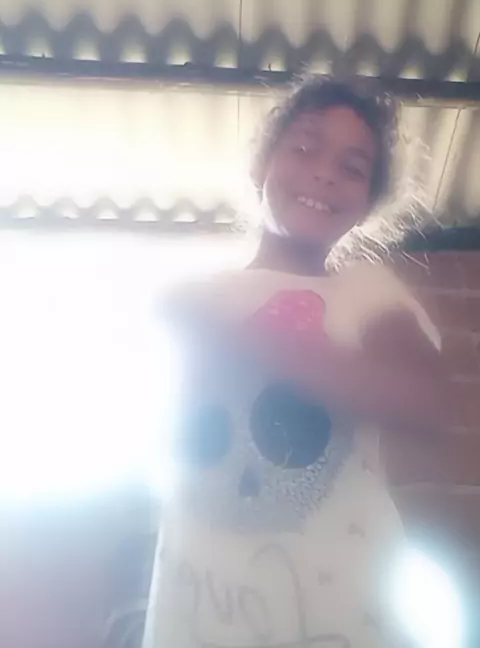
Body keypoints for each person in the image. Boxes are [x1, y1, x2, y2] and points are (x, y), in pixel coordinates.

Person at [143, 77, 448, 648]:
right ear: (261, 164)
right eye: (304, 147)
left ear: (367, 204)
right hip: (199, 600)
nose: (324, 173)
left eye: (352, 168)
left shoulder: (366, 290)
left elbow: (424, 400)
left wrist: (255, 341)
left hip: (340, 613)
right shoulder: (200, 295)